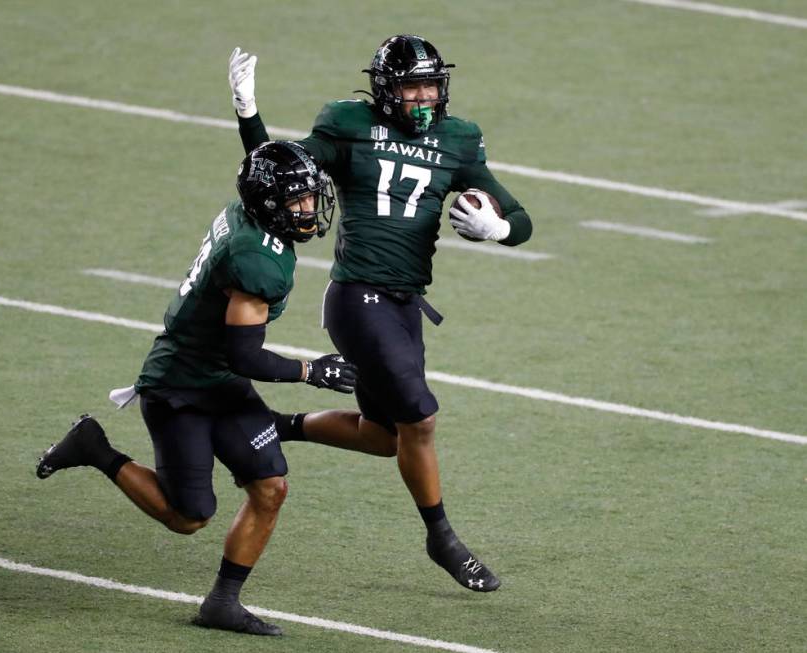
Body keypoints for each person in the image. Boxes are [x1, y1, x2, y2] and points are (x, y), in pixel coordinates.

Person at [227, 35, 535, 593]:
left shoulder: (458, 139)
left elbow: (518, 215)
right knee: (421, 418)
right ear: (385, 90)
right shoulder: (348, 124)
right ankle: (442, 538)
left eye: (431, 86)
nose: (424, 97)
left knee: (383, 436)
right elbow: (276, 172)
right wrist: (250, 115)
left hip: (403, 306)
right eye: (412, 86)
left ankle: (276, 426)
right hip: (357, 297)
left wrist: (501, 229)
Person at [36, 141, 360, 636]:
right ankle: (93, 447)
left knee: (270, 488)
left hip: (218, 380)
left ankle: (222, 603)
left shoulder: (248, 211)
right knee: (189, 517)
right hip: (180, 386)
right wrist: (311, 372)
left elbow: (264, 161)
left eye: (311, 197)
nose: (309, 209)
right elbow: (245, 357)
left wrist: (248, 111)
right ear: (270, 203)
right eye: (298, 201)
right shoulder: (257, 262)